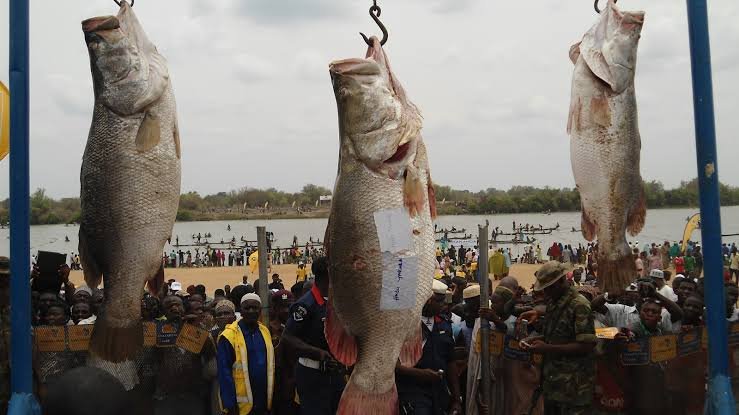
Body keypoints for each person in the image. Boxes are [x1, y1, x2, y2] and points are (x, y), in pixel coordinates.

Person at [519, 261, 597, 414]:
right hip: (553, 383)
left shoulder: (579, 305)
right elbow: (558, 335)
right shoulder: (554, 303)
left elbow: (586, 345)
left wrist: (547, 348)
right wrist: (533, 340)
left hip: (574, 388)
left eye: (550, 288)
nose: (547, 292)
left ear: (562, 282)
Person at [282, 257, 345, 414]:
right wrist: (316, 352)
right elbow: (288, 337)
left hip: (336, 374)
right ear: (326, 276)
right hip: (312, 375)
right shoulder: (305, 305)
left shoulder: (335, 301)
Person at [396, 280, 462, 415]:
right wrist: (422, 374)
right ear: (428, 300)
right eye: (439, 301)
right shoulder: (404, 325)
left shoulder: (444, 324)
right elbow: (392, 365)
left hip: (439, 393)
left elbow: (451, 362)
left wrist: (456, 399)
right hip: (413, 392)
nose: (443, 305)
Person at [217, 293, 274, 415]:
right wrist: (230, 406)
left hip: (264, 402)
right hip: (241, 407)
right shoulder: (228, 336)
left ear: (260, 311)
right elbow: (224, 373)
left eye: (255, 308)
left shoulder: (265, 331)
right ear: (240, 311)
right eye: (247, 308)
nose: (251, 311)